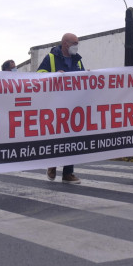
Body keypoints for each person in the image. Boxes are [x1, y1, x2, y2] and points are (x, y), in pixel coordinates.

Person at [36, 33, 84, 183]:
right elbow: (38, 75)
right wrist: (54, 75)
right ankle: (52, 164)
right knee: (56, 136)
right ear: (65, 44)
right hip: (55, 105)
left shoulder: (78, 59)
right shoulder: (50, 58)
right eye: (74, 43)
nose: (77, 45)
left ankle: (68, 173)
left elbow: (82, 77)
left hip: (73, 104)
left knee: (72, 138)